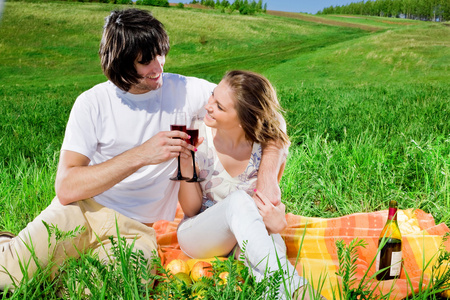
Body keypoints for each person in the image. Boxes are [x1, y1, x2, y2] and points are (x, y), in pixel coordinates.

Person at [0, 9, 286, 290]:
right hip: (81, 210)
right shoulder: (92, 104)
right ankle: (6, 244)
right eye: (146, 61)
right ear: (122, 64)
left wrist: (268, 177)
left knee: (105, 292)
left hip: (137, 231)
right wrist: (142, 155)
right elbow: (66, 187)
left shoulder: (183, 91)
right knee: (7, 277)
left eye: (161, 53)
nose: (158, 66)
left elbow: (264, 114)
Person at [176, 70, 326, 300]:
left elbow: (269, 202)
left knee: (270, 255)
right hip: (199, 234)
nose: (209, 106)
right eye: (212, 96)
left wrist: (277, 222)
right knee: (239, 201)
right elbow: (190, 210)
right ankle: (299, 289)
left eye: (220, 106)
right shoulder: (195, 131)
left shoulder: (265, 143)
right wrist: (185, 165)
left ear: (244, 119)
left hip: (246, 236)